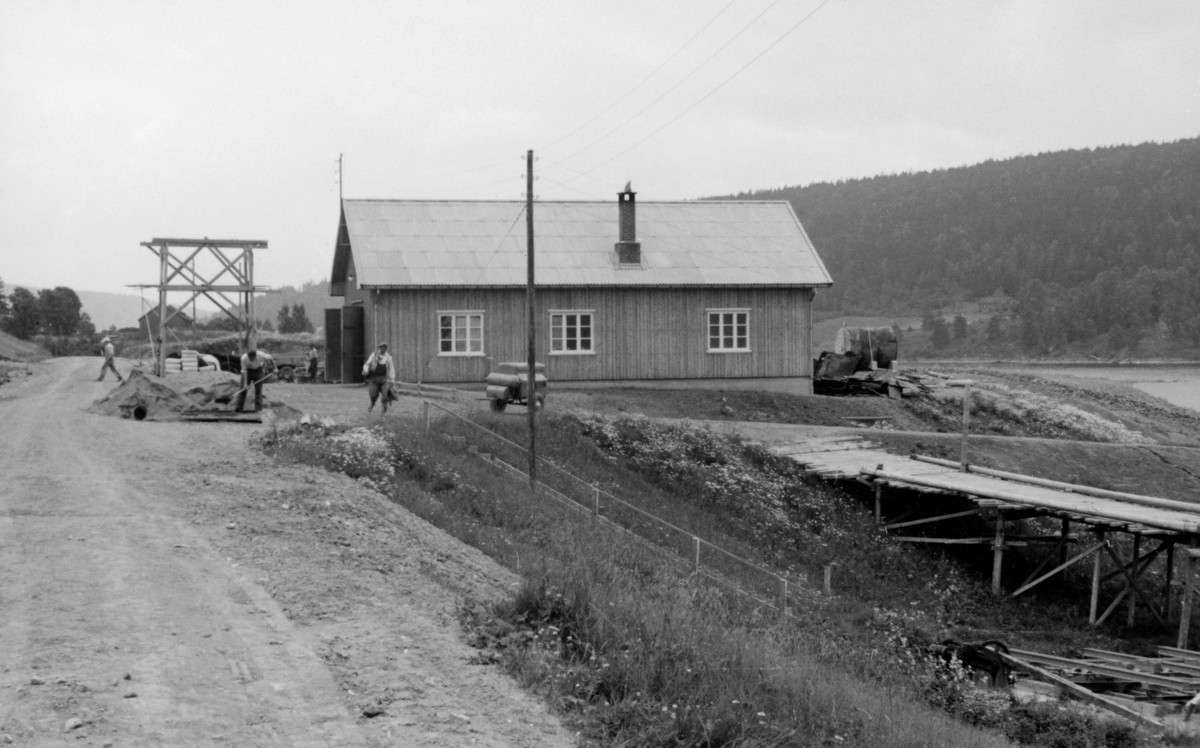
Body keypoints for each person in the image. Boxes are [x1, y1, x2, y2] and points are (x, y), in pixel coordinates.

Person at [235, 348, 274, 413]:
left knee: (258, 390)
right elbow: (244, 372)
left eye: (252, 358)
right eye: (249, 357)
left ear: (255, 356)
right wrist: (245, 384)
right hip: (247, 371)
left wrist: (275, 368)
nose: (250, 359)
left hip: (258, 370)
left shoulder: (261, 355)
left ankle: (258, 409)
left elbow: (270, 358)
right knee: (242, 389)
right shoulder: (243, 358)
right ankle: (239, 408)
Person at [362, 342, 395, 414]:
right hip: (374, 378)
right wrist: (366, 370)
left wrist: (392, 380)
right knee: (373, 394)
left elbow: (391, 369)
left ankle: (384, 410)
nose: (381, 350)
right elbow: (367, 364)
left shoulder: (389, 358)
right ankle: (372, 403)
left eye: (383, 348)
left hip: (384, 379)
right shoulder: (374, 355)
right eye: (380, 348)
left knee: (385, 394)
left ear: (386, 349)